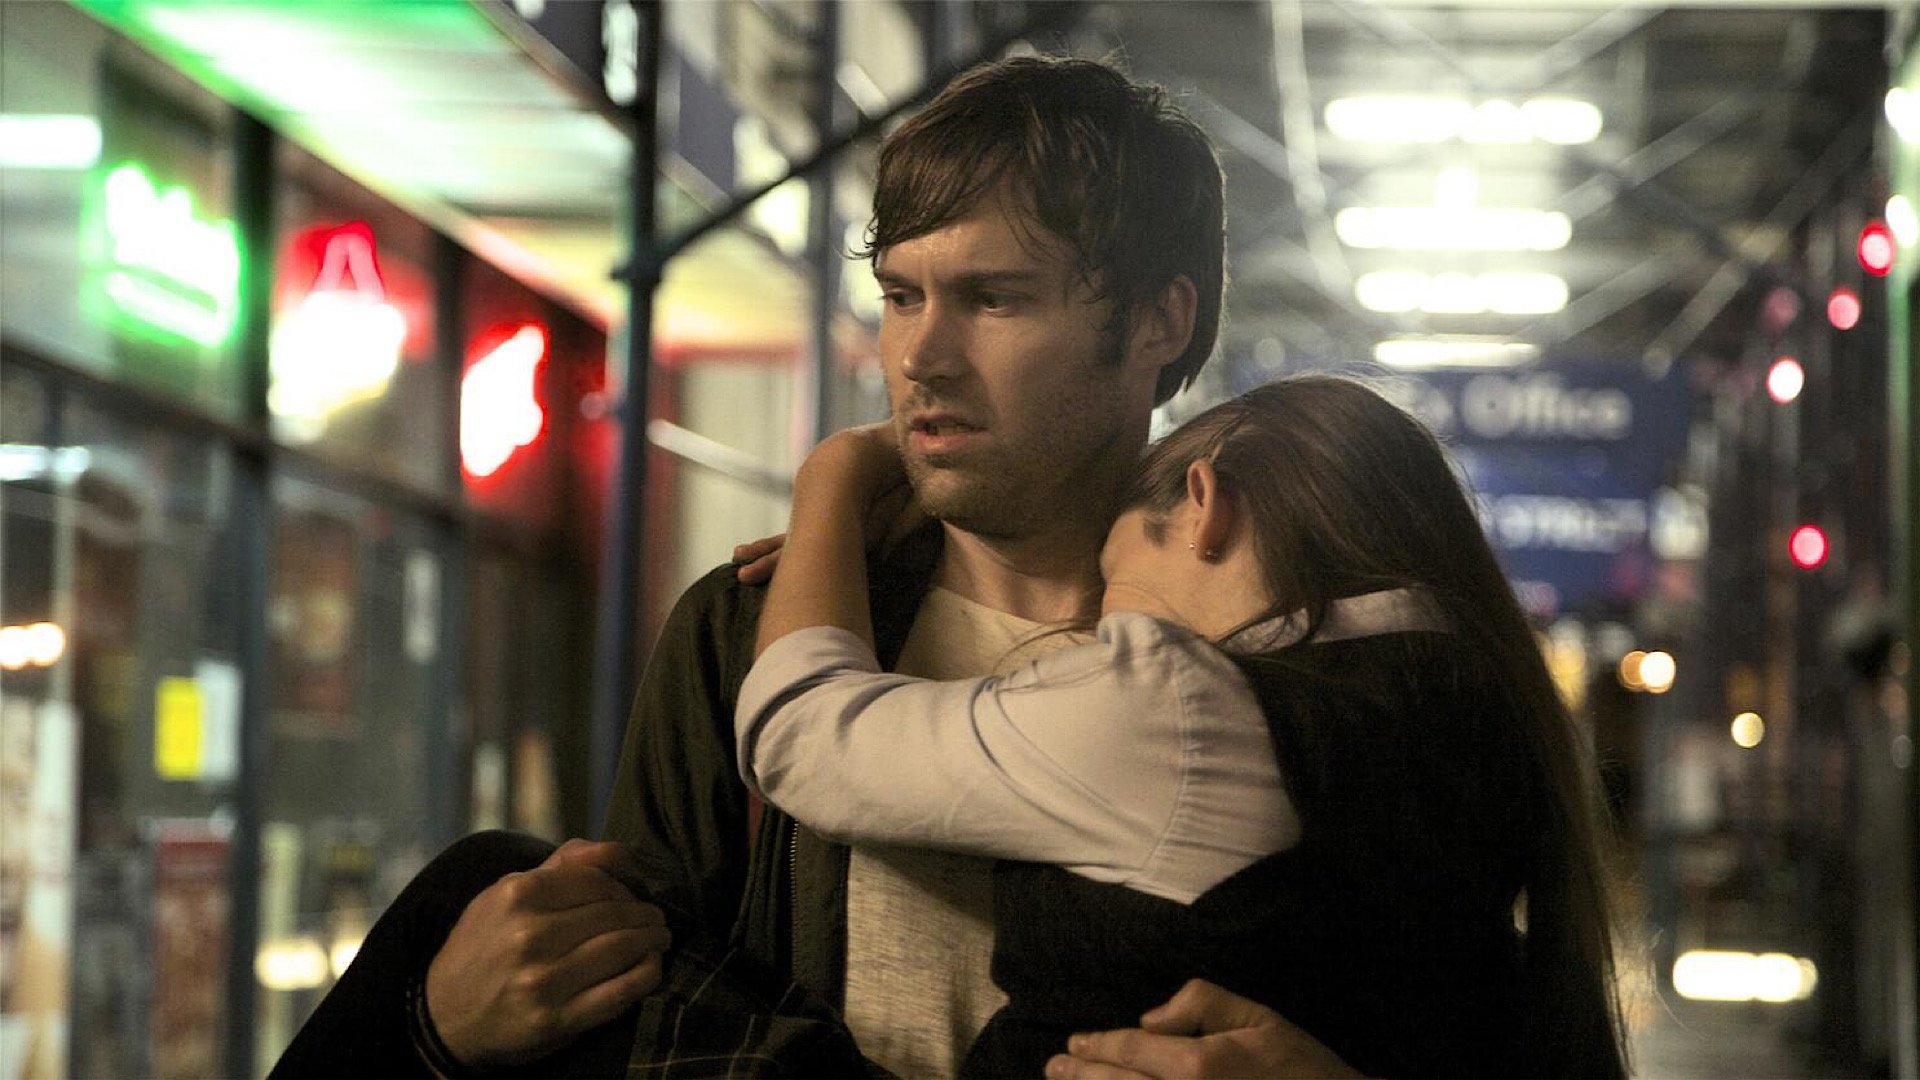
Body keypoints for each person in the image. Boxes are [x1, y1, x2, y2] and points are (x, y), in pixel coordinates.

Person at [283, 53, 1358, 1079]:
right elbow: (632, 1010)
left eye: (994, 299)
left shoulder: (1284, 664)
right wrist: (439, 1035)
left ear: (1160, 319)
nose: (921, 357)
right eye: (900, 296)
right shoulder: (744, 632)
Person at [735, 376, 1630, 1078]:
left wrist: (836, 480)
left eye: (1113, 584)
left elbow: (800, 730)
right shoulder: (1489, 722)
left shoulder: (1185, 707)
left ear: (1204, 504)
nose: (1094, 632)